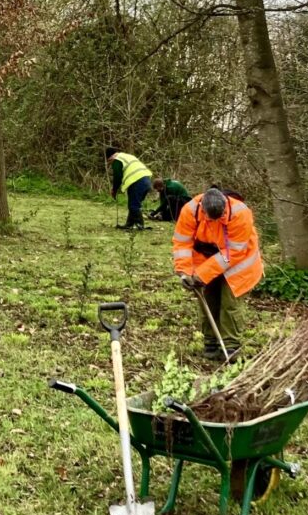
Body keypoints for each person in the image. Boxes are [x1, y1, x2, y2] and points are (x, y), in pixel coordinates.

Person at [173, 188, 264, 360]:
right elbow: (182, 243)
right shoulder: (190, 210)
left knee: (230, 304)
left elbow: (234, 253)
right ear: (203, 208)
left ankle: (230, 347)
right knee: (208, 300)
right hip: (204, 259)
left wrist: (202, 274)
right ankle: (211, 343)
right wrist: (184, 272)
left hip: (240, 264)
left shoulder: (240, 213)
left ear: (225, 207)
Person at [106, 147, 153, 230]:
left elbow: (118, 176)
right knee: (134, 204)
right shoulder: (127, 156)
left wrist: (114, 189)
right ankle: (129, 224)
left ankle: (139, 225)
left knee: (134, 205)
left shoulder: (117, 160)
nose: (110, 164)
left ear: (110, 157)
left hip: (137, 181)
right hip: (146, 180)